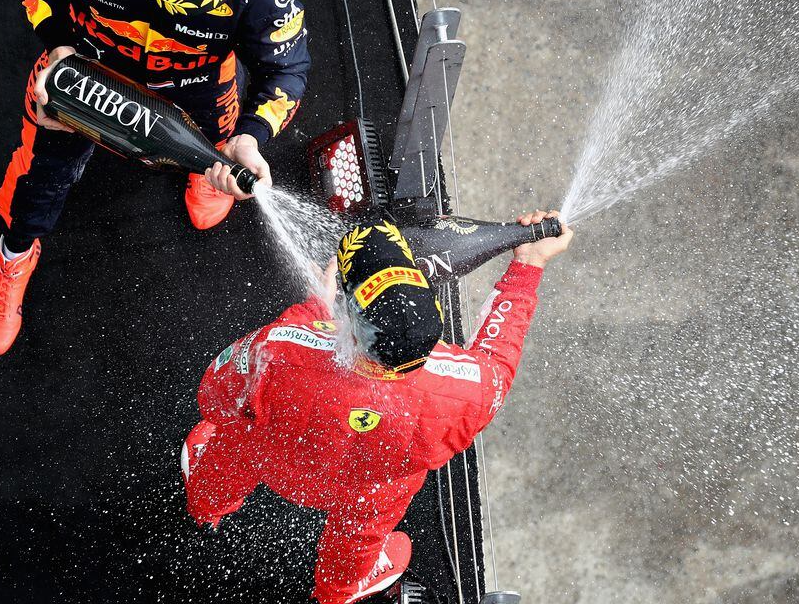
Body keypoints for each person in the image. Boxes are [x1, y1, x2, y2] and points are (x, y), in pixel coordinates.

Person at [0, 0, 311, 355]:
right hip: (91, 70)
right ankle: (15, 253)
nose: (198, 1)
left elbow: (288, 68)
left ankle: (206, 173)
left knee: (220, 145)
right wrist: (56, 43)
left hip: (200, 83)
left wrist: (251, 137)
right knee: (40, 175)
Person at [180, 210, 572, 603]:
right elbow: (498, 357)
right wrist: (527, 266)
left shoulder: (280, 349)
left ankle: (206, 506)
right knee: (356, 545)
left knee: (232, 449)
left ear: (350, 317)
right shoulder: (473, 389)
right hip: (373, 493)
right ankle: (337, 593)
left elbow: (212, 398)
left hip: (276, 461)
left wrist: (317, 306)